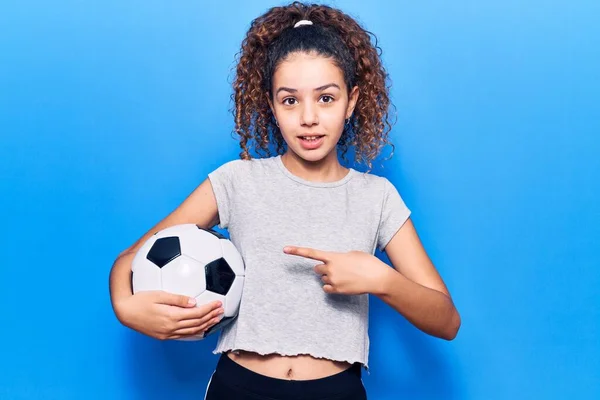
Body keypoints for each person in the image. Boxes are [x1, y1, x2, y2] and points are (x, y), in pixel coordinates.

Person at [109, 2, 461, 399]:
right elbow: (129, 261)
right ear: (272, 106)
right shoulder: (235, 182)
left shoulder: (376, 197)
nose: (308, 117)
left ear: (352, 101)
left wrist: (382, 280)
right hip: (239, 386)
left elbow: (446, 320)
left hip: (335, 391)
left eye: (326, 98)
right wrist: (126, 308)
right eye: (290, 100)